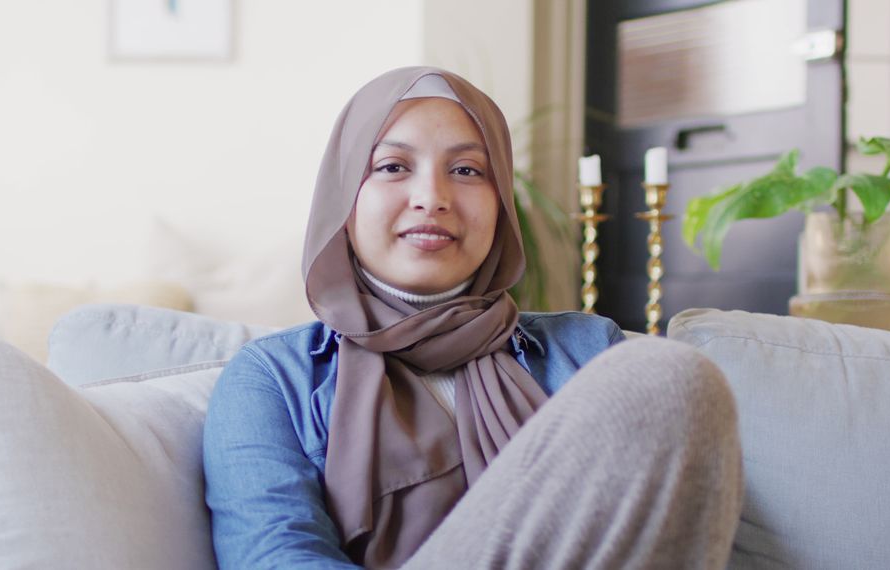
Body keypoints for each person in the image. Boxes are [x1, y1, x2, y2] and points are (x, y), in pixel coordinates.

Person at [202, 67, 743, 569]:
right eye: (392, 167)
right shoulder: (273, 377)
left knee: (673, 377)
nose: (431, 197)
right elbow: (275, 555)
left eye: (466, 170)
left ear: (501, 198)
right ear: (344, 197)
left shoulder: (588, 351)